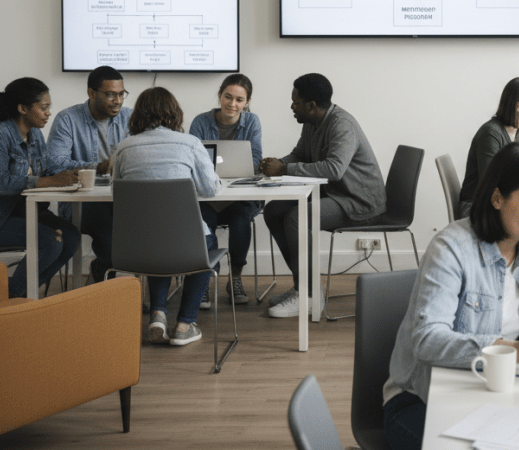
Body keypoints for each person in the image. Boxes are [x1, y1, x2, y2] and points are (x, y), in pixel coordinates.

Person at [384, 143, 519, 450]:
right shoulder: (451, 249)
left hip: (500, 395)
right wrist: (511, 350)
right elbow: (427, 340)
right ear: (497, 198)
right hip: (421, 401)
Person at [260, 73, 387, 318]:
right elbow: (300, 155)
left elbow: (334, 169)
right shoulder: (312, 123)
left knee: (298, 217)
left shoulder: (342, 125)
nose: (291, 107)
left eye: (295, 103)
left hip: (359, 202)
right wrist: (275, 164)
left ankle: (308, 295)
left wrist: (284, 169)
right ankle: (304, 287)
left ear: (311, 106)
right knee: (274, 210)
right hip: (336, 194)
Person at [111, 86, 222, 347]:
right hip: (186, 242)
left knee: (157, 242)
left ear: (137, 115)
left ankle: (158, 314)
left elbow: (118, 192)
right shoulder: (191, 143)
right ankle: (184, 324)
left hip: (139, 245)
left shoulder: (123, 147)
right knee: (205, 245)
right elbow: (210, 189)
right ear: (175, 113)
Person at [0, 78, 81, 298]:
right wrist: (51, 181)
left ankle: (16, 295)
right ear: (22, 108)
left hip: (21, 212)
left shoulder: (35, 135)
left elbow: (49, 169)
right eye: (44, 107)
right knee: (50, 241)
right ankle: (8, 301)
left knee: (70, 237)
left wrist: (81, 172)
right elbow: (0, 184)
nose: (49, 113)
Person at [46, 65, 132, 284]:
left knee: (148, 224)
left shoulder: (130, 117)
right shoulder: (67, 119)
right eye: (111, 94)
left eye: (122, 94)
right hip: (81, 200)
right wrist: (98, 167)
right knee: (110, 235)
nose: (118, 101)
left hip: (121, 196)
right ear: (91, 93)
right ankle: (109, 284)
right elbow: (55, 164)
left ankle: (107, 275)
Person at [188, 73, 263, 307]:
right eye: (228, 97)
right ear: (220, 96)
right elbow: (192, 159)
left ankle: (236, 277)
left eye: (239, 100)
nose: (232, 104)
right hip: (208, 194)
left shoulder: (252, 122)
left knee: (241, 218)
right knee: (203, 219)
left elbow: (255, 158)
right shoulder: (201, 121)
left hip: (238, 197)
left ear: (247, 102)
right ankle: (204, 279)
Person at [457, 77, 519, 219]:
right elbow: (490, 181)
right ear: (517, 105)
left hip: (507, 199)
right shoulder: (490, 133)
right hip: (479, 205)